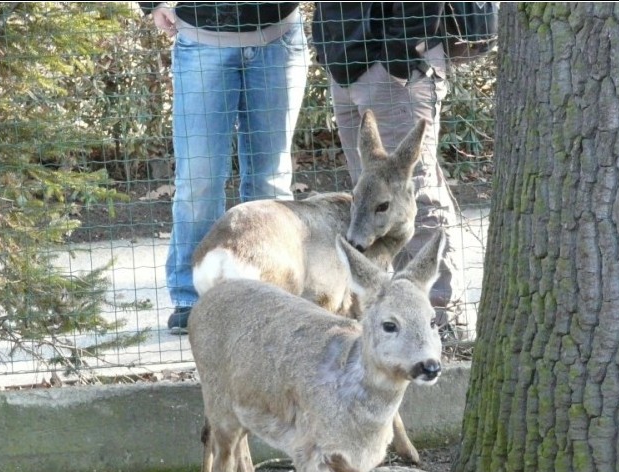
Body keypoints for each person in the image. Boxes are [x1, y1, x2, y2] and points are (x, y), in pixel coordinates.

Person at [142, 2, 309, 334]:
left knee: (271, 183)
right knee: (198, 180)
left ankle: (272, 292)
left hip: (280, 39)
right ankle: (192, 298)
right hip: (202, 41)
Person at [310, 2, 465, 336]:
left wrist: (397, 55)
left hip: (393, 69)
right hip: (347, 64)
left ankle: (440, 319)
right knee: (371, 199)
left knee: (415, 194)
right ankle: (397, 317)